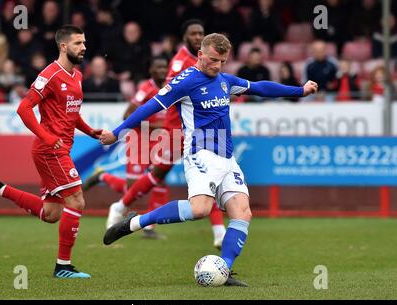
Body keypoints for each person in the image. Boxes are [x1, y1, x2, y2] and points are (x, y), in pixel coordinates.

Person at [98, 33, 318, 286]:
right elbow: (150, 107)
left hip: (227, 158)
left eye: (223, 61)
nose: (217, 66)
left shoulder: (225, 80)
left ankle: (223, 270)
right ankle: (136, 222)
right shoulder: (184, 82)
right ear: (200, 54)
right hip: (200, 153)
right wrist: (116, 132)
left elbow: (260, 87)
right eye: (213, 60)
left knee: (243, 213)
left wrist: (299, 90)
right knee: (199, 209)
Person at [86, 19, 228, 249]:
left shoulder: (204, 60)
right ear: (184, 38)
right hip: (178, 130)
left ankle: (219, 232)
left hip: (195, 129)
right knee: (157, 176)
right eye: (193, 33)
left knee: (199, 174)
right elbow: (170, 98)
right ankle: (121, 205)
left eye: (200, 33)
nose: (197, 36)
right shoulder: (181, 62)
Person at [0, 25, 99, 279]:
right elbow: (24, 108)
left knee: (51, 213)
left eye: (84, 42)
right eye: (78, 43)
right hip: (50, 150)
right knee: (76, 201)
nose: (83, 47)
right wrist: (48, 137)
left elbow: (71, 114)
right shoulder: (50, 75)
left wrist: (91, 131)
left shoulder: (77, 76)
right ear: (63, 46)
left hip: (56, 149)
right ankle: (63, 267)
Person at [82, 56, 169, 239]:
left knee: (159, 182)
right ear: (151, 71)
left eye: (164, 67)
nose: (162, 70)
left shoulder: (170, 87)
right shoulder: (145, 89)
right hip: (139, 141)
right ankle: (103, 176)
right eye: (158, 67)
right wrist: (158, 127)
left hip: (160, 142)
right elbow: (127, 116)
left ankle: (149, 228)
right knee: (133, 188)